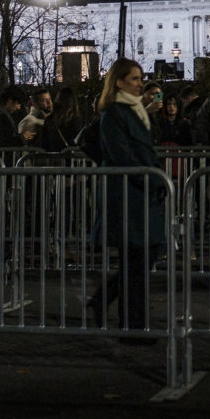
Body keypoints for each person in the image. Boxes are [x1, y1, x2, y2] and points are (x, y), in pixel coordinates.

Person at [87, 58, 166, 335]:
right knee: (137, 261)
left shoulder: (135, 110)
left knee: (142, 258)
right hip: (127, 193)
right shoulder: (114, 113)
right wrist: (149, 178)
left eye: (140, 77)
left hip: (141, 191)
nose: (140, 82)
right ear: (119, 82)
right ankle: (132, 326)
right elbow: (121, 155)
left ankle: (106, 302)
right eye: (134, 78)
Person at [42, 86, 84, 151]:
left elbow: (45, 142)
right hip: (70, 157)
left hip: (52, 157)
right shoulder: (75, 119)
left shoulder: (50, 120)